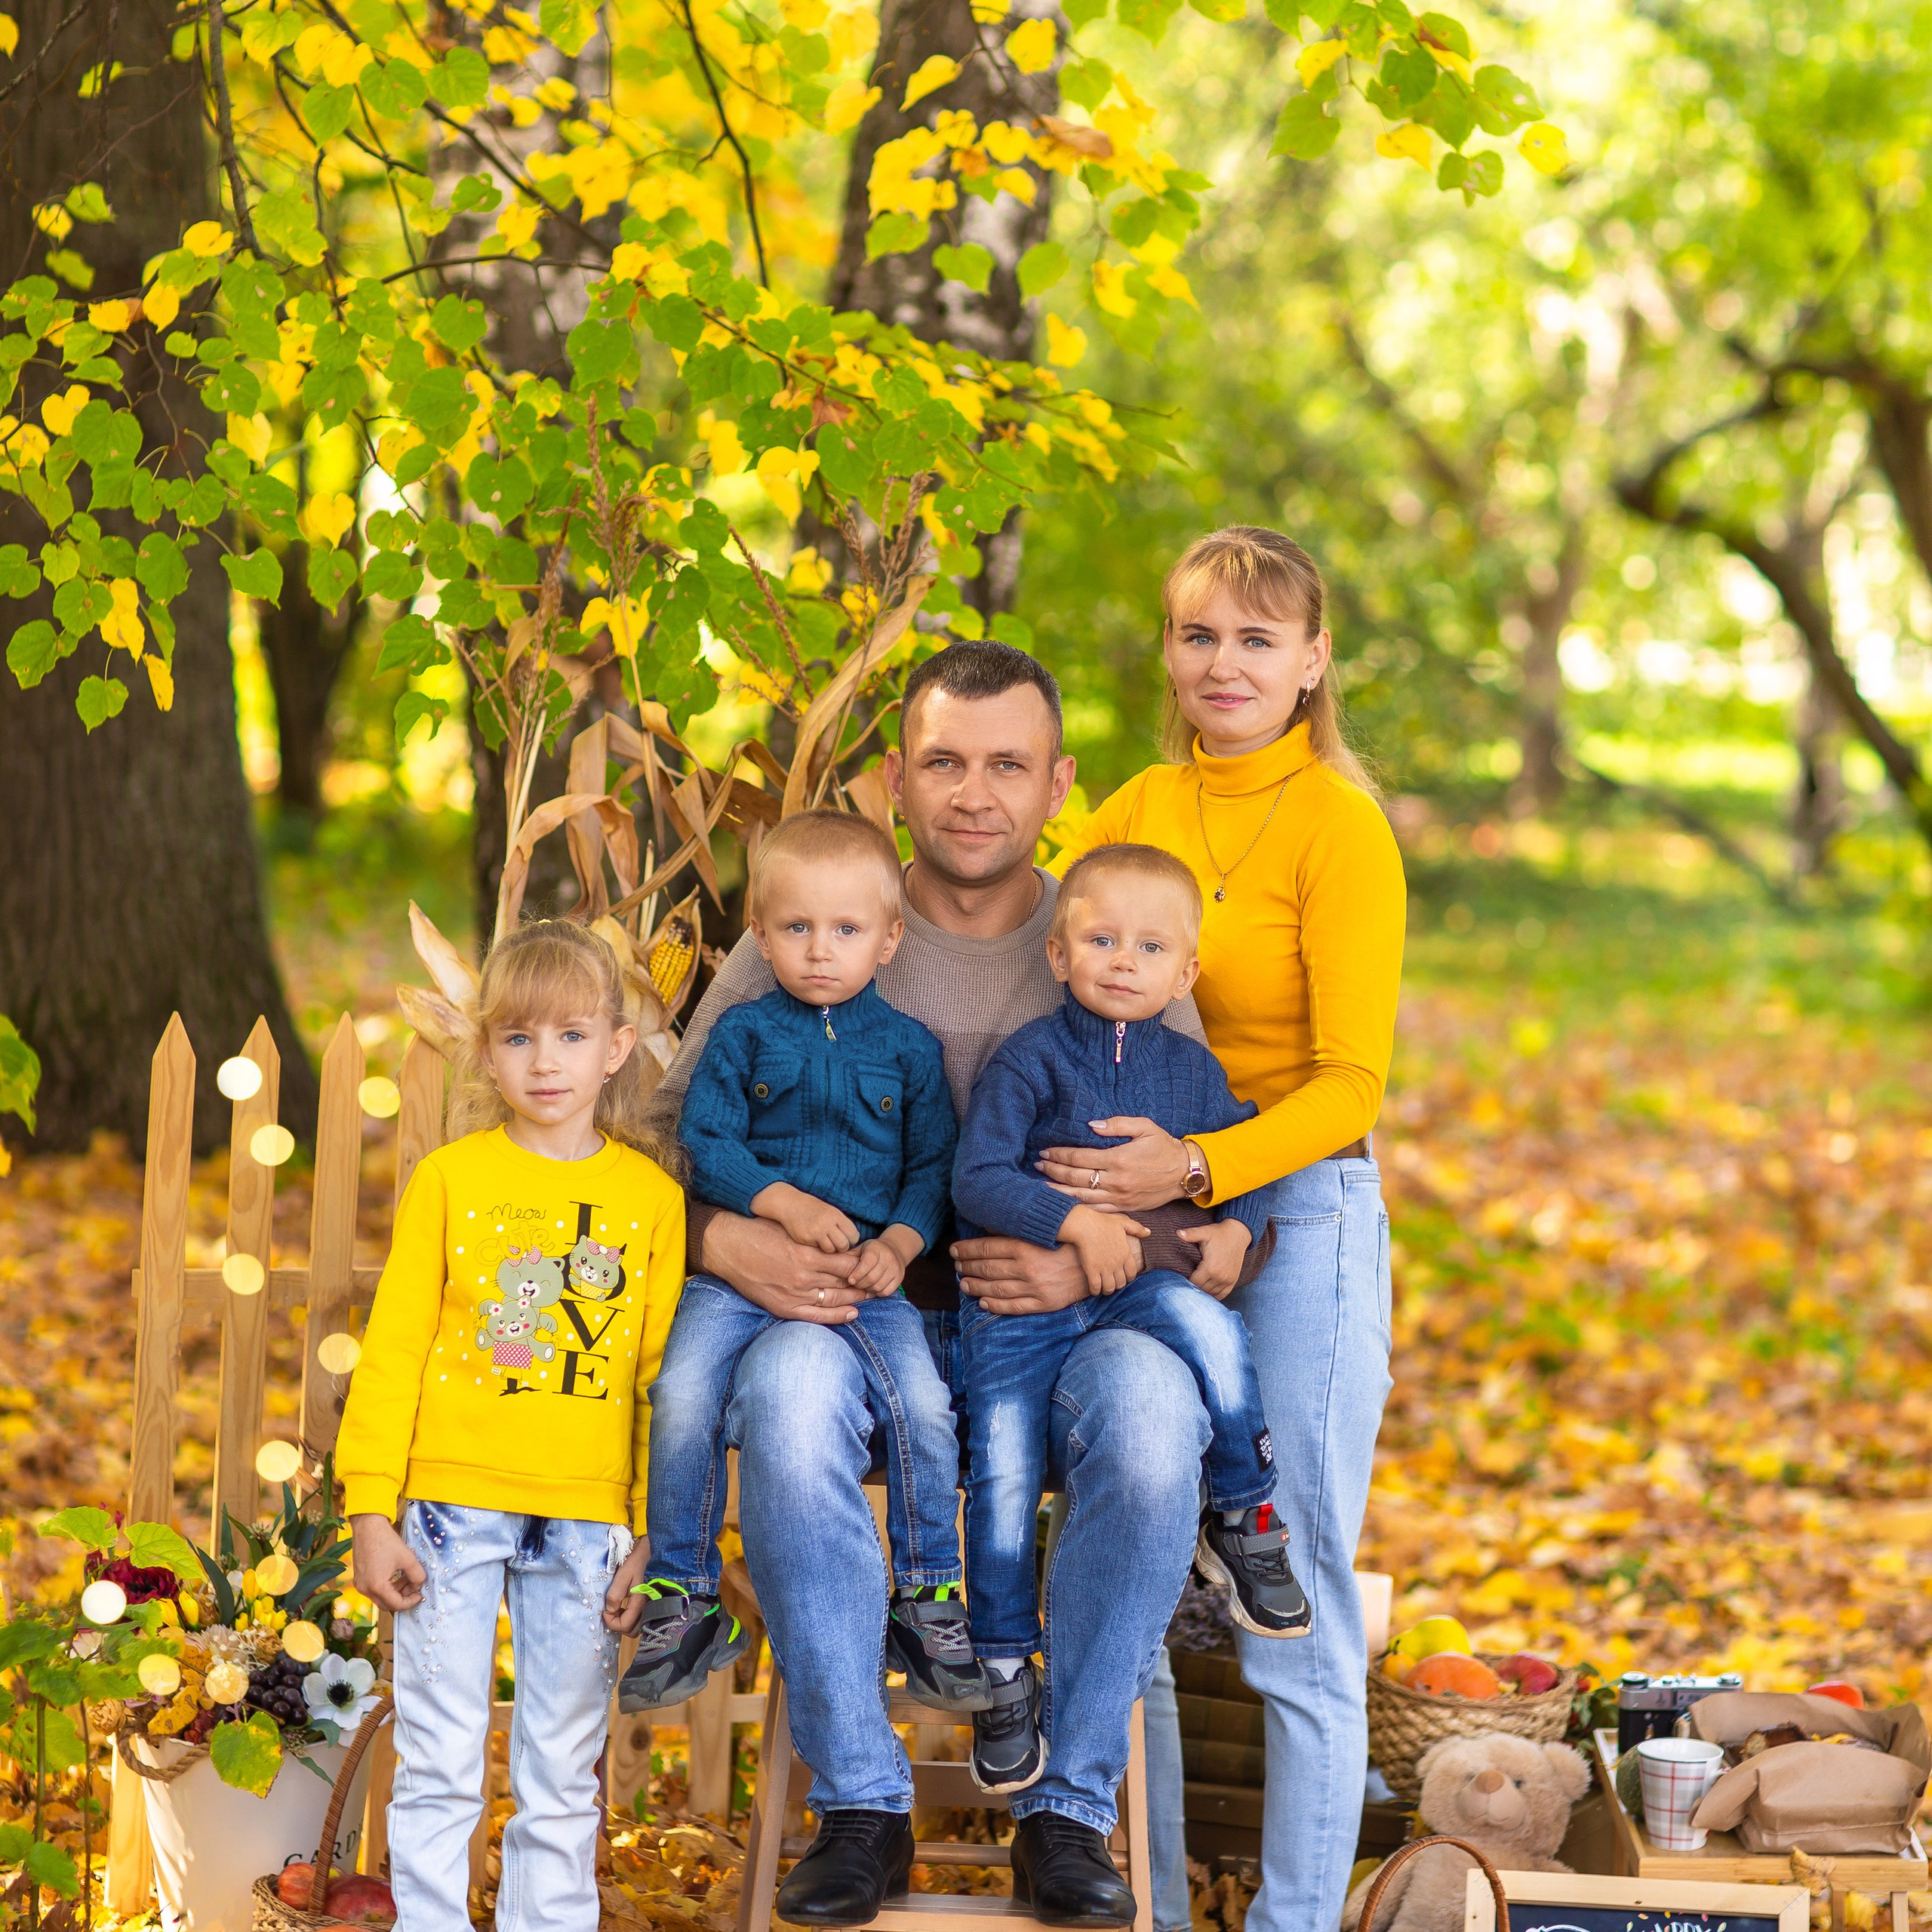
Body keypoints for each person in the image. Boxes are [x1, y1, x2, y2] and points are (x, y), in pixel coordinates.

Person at [649, 641, 1214, 1930]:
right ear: (896, 777)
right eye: (945, 762)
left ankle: (1067, 1814)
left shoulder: (1114, 939)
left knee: (1153, 1415)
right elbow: (665, 1153)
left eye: (1008, 765)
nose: (975, 793)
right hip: (849, 1317)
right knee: (786, 1411)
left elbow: (1199, 1198)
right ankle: (860, 1804)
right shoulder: (817, 918)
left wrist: (1096, 1245)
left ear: (1057, 782)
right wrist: (724, 1244)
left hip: (1061, 1329)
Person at [1048, 526, 1406, 1932]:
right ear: (1170, 653)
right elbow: (1053, 998)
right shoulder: (1133, 804)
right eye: (1200, 634)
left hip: (1297, 1209)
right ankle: (1143, 1900)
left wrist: (1195, 1166)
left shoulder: (1340, 825)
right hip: (1125, 1216)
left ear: (1313, 662)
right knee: (1127, 1565)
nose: (1226, 663)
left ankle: (1294, 1919)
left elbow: (1353, 1082)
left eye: (1259, 639)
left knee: (1292, 1590)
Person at [337, 921, 685, 1932]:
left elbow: (665, 1385)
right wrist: (370, 1510)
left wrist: (657, 1535)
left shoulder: (651, 1203)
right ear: (485, 1051)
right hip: (448, 1511)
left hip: (590, 1527)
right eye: (520, 1038)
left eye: (573, 1036)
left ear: (617, 1047)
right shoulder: (453, 1182)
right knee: (439, 1762)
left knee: (561, 1771)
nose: (547, 1061)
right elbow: (396, 1347)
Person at [950, 841, 1312, 1796]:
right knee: (1002, 1474)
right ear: (1057, 954)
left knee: (1212, 1331)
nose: (1123, 959)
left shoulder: (1191, 1071)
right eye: (1101, 939)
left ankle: (1244, 1514)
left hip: (1137, 1294)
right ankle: (1000, 1667)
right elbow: (976, 1176)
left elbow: (1247, 1158)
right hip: (1017, 1317)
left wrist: (1235, 1226)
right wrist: (1068, 1220)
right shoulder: (1028, 1060)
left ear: (1186, 972)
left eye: (1150, 947)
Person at [620, 809, 986, 1715]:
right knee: (681, 1392)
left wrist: (900, 1242)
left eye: (847, 929)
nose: (820, 951)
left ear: (889, 938)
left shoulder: (908, 1051)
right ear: (759, 932)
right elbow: (703, 1137)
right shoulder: (745, 1034)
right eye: (795, 928)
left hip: (872, 1283)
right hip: (737, 1282)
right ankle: (682, 1594)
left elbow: (933, 1165)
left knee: (926, 1407)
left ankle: (930, 1594)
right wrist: (779, 1203)